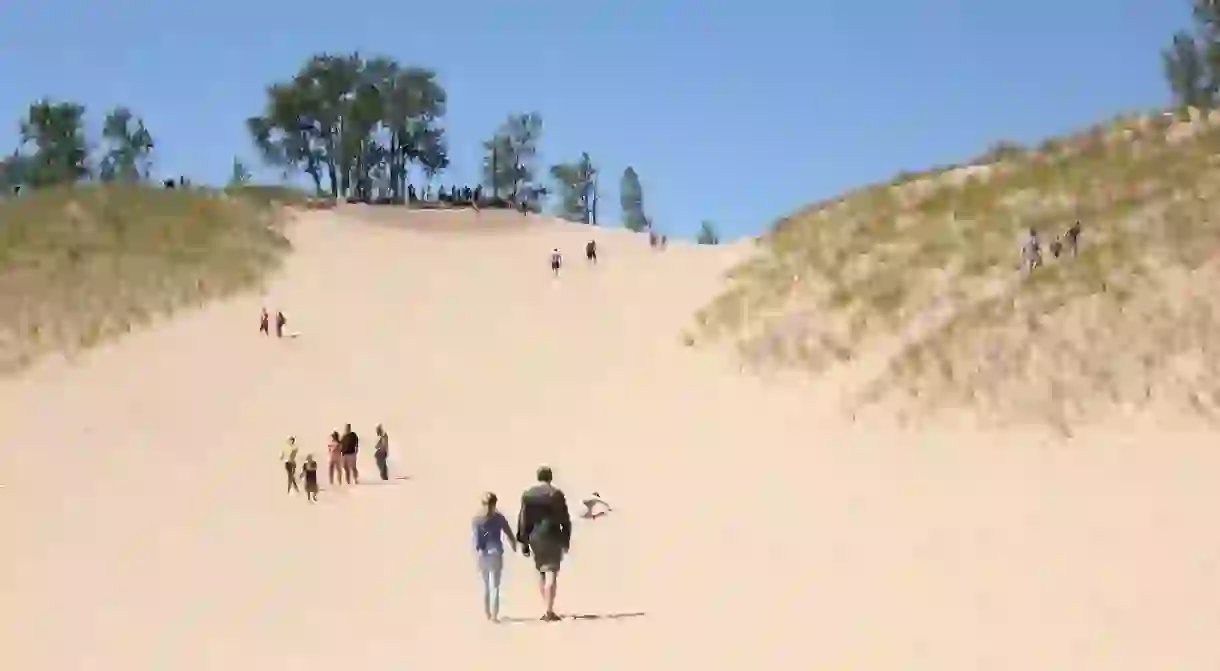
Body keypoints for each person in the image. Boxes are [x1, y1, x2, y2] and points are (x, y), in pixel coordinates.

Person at [517, 466, 572, 622]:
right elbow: (565, 519)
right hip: (553, 535)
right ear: (550, 477)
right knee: (551, 572)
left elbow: (523, 519)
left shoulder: (528, 495)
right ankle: (549, 610)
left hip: (535, 537)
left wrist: (523, 541)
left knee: (541, 571)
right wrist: (566, 538)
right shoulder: (556, 494)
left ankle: (546, 607)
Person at [473, 492, 518, 622]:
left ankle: (487, 613)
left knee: (486, 585)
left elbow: (477, 539)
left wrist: (478, 549)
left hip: (483, 553)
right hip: (496, 551)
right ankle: (494, 615)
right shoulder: (499, 518)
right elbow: (509, 533)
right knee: (495, 585)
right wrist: (514, 545)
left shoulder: (477, 519)